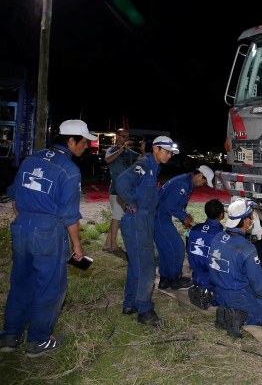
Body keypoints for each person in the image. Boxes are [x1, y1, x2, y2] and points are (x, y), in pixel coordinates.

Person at [0, 119, 96, 356]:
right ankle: (38, 340)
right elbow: (69, 215)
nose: (87, 146)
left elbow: (14, 195)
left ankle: (10, 336)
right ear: (71, 141)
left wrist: (27, 216)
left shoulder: (31, 159)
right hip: (48, 232)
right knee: (50, 287)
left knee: (21, 283)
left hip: (22, 227)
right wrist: (77, 246)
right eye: (85, 142)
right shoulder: (69, 170)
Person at [116, 135, 178, 326]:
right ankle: (144, 309)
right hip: (138, 220)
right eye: (166, 151)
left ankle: (130, 303)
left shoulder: (153, 167)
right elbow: (121, 182)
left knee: (137, 264)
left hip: (144, 220)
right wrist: (132, 203)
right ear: (156, 149)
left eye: (171, 153)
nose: (169, 156)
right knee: (147, 266)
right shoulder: (144, 164)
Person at [209, 198, 262, 338]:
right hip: (236, 295)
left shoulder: (218, 236)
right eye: (251, 216)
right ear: (245, 221)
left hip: (218, 291)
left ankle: (226, 309)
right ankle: (239, 317)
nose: (252, 219)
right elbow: (259, 287)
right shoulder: (247, 248)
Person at [155, 165, 214, 290]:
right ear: (199, 175)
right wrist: (184, 216)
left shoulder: (186, 181)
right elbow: (170, 206)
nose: (203, 184)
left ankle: (165, 280)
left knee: (165, 249)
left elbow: (174, 203)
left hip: (159, 215)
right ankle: (174, 279)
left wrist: (184, 216)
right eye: (204, 181)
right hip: (159, 216)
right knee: (178, 247)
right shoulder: (183, 184)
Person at [103, 128, 145, 253]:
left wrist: (142, 149)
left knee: (117, 216)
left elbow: (141, 159)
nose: (126, 139)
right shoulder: (113, 150)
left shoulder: (129, 152)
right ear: (116, 136)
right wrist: (122, 149)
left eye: (127, 136)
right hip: (116, 189)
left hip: (126, 190)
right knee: (117, 217)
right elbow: (108, 160)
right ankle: (113, 246)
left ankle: (108, 244)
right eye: (123, 136)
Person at [186, 199, 225, 309]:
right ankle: (209, 294)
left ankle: (201, 289)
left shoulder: (194, 229)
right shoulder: (220, 235)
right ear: (221, 215)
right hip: (212, 277)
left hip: (196, 273)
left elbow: (188, 247)